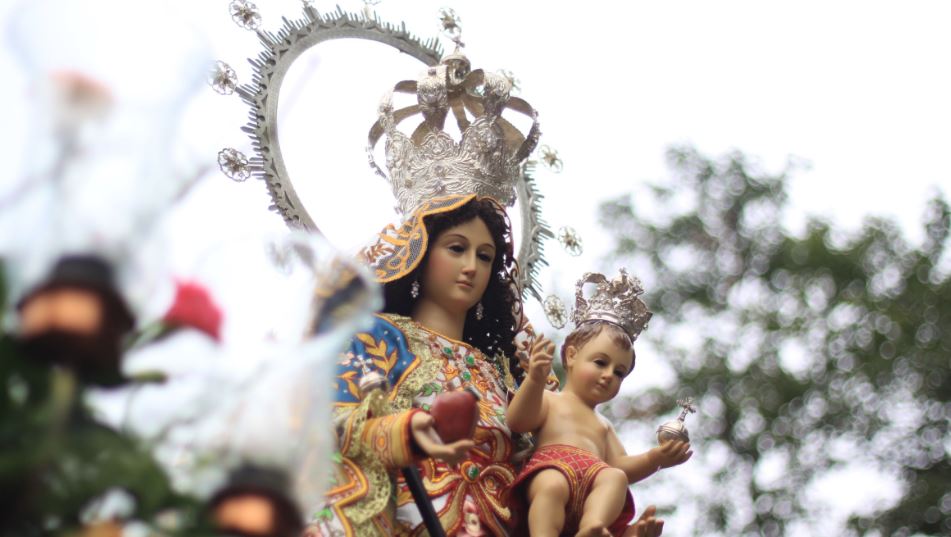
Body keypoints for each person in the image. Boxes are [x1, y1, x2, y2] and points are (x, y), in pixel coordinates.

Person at [506, 270, 692, 537]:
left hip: (592, 480)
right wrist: (535, 379)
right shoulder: (550, 400)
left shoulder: (603, 425)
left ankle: (592, 527)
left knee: (615, 478)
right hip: (553, 468)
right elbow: (518, 421)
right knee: (551, 486)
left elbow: (620, 465)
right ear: (571, 356)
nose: (608, 375)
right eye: (600, 362)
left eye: (619, 373)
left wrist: (655, 459)